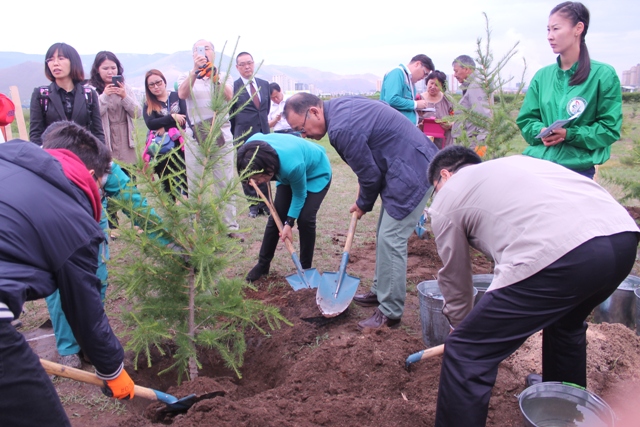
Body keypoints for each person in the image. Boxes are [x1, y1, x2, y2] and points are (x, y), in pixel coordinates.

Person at [426, 145, 639, 427]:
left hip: (564, 253)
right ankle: (563, 412)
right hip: (621, 238)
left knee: (467, 352)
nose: (436, 195)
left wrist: (462, 327)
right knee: (566, 325)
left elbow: (455, 277)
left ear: (444, 176)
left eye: (434, 188)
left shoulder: (450, 194)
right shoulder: (512, 166)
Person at [0, 123, 135, 426]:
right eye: (101, 186)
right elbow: (85, 309)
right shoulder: (73, 219)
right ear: (90, 177)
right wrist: (112, 369)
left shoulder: (7, 156)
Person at [284, 93, 438, 329]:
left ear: (314, 112)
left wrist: (363, 204)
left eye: (301, 128)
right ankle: (379, 292)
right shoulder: (340, 108)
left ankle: (390, 311)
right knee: (384, 234)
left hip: (413, 170)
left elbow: (370, 176)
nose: (304, 136)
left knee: (391, 238)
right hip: (401, 167)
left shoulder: (341, 129)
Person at [43, 121, 172, 368]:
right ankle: (68, 347)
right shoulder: (43, 176)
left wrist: (170, 242)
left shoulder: (103, 165)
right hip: (54, 224)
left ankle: (90, 342)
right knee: (59, 287)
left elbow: (135, 204)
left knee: (95, 278)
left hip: (92, 219)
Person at [516, 1, 622, 180]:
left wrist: (569, 134)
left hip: (577, 172)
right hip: (539, 167)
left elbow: (609, 129)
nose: (550, 36)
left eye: (556, 29)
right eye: (548, 30)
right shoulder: (543, 76)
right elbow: (526, 120)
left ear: (578, 28)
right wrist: (542, 131)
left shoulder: (602, 75)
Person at [237, 132, 332, 282]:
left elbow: (299, 195)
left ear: (268, 168)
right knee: (276, 217)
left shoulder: (292, 165)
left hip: (316, 172)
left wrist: (289, 223)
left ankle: (305, 269)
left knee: (306, 219)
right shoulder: (250, 148)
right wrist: (251, 177)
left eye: (258, 178)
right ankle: (263, 264)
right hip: (285, 172)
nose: (256, 182)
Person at [177, 39, 242, 240]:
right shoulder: (186, 76)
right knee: (196, 183)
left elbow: (229, 96)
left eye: (207, 48)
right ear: (193, 54)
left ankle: (229, 226)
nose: (204, 52)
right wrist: (195, 72)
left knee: (224, 181)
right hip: (195, 137)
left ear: (214, 53)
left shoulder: (224, 75)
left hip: (221, 135)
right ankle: (197, 225)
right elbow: (182, 93)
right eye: (199, 49)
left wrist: (214, 76)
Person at [89, 51, 141, 237]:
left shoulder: (126, 87)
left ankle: (137, 220)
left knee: (129, 182)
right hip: (105, 141)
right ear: (97, 69)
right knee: (108, 183)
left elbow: (137, 113)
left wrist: (124, 96)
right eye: (105, 68)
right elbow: (92, 114)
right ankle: (113, 225)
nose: (110, 71)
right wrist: (103, 96)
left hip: (126, 141)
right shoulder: (91, 90)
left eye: (113, 67)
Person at [30, 42, 104, 145]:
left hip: (82, 156)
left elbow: (98, 133)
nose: (55, 63)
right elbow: (35, 135)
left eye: (61, 58)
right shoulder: (41, 95)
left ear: (73, 62)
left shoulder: (89, 94)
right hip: (52, 156)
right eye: (50, 60)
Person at [230, 52, 271, 218]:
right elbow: (231, 114)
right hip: (243, 135)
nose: (247, 67)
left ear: (253, 64)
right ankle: (253, 206)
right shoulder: (233, 88)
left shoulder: (264, 84)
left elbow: (265, 110)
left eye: (249, 63)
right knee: (246, 171)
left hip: (264, 134)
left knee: (266, 168)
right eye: (242, 64)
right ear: (237, 67)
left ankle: (266, 204)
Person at [143, 69, 189, 200]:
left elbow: (185, 118)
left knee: (187, 179)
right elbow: (151, 123)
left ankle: (191, 213)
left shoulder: (177, 96)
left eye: (158, 82)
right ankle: (172, 213)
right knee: (167, 182)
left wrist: (165, 126)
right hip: (161, 148)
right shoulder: (149, 104)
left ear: (164, 81)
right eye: (151, 85)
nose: (156, 86)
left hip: (181, 146)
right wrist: (173, 117)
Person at [451, 54, 492, 153]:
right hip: (468, 141)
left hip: (473, 144)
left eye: (456, 71)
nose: (455, 75)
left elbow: (482, 116)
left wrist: (481, 148)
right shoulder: (471, 85)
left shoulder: (476, 85)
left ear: (467, 69)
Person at [380, 54, 434, 126]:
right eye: (425, 73)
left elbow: (404, 106)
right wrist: (416, 104)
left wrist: (416, 110)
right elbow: (392, 99)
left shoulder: (411, 82)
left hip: (404, 128)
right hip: (393, 127)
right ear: (417, 64)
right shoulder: (397, 72)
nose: (423, 77)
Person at [418, 70, 454, 148]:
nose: (433, 87)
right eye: (431, 83)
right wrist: (419, 126)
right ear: (427, 82)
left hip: (445, 143)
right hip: (424, 142)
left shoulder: (448, 100)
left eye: (437, 85)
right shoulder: (418, 99)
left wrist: (450, 124)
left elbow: (457, 119)